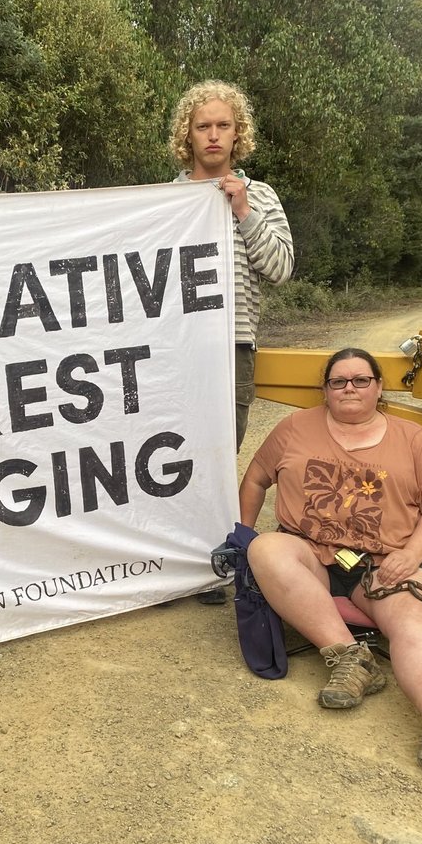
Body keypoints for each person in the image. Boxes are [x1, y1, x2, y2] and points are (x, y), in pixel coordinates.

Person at [238, 347, 422, 773]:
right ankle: (350, 658)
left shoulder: (412, 437)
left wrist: (412, 554)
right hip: (311, 553)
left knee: (410, 620)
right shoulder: (293, 428)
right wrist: (244, 533)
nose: (349, 388)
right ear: (325, 390)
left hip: (387, 561)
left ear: (378, 386)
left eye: (360, 380)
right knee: (265, 549)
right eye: (338, 381)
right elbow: (255, 478)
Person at [169, 80, 295, 604]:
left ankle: (212, 561)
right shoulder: (164, 200)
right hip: (174, 350)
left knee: (222, 454)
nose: (214, 135)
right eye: (204, 126)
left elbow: (280, 268)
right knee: (169, 453)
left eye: (223, 125)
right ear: (188, 135)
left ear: (237, 133)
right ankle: (168, 564)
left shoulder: (259, 195)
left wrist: (243, 210)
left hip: (234, 345)